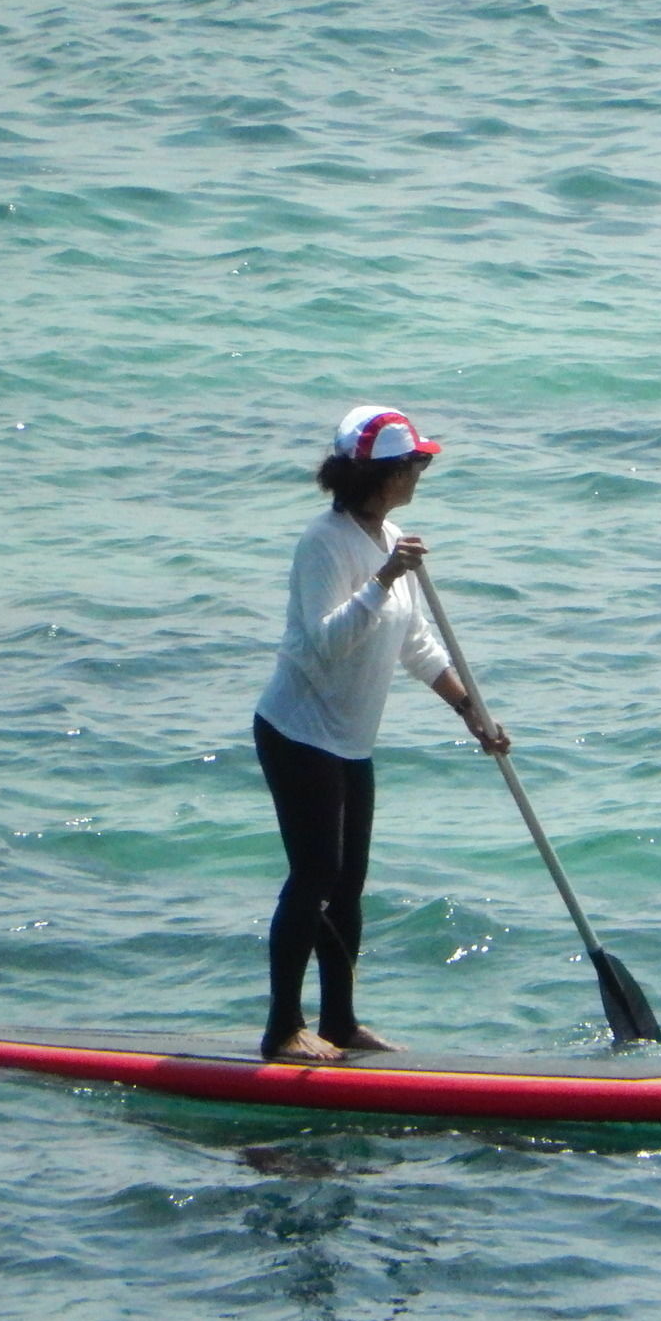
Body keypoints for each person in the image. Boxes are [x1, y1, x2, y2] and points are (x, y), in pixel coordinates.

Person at [253, 405, 510, 1062]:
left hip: (349, 739)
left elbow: (418, 644)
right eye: (416, 464)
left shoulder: (386, 536)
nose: (422, 473)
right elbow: (326, 643)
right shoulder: (324, 542)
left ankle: (338, 1022)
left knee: (348, 883)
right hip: (298, 731)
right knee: (314, 875)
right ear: (387, 474)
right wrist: (385, 577)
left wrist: (470, 712)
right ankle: (283, 1030)